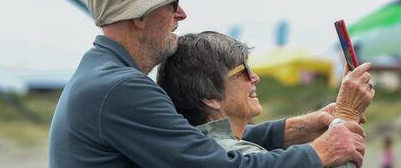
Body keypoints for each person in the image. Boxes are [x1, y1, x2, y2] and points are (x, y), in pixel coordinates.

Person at [49, 0, 374, 167]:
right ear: (139, 14)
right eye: (171, 3)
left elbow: (199, 144)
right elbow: (213, 163)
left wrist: (304, 126)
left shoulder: (103, 78)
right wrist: (322, 151)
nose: (181, 14)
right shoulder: (120, 88)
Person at [157, 31, 374, 168]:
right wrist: (347, 114)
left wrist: (320, 123)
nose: (255, 77)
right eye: (243, 70)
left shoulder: (195, 148)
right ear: (211, 97)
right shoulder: (235, 155)